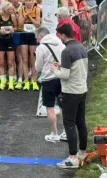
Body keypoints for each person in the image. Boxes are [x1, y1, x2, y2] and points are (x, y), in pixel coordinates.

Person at [51, 24, 88, 169]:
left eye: (58, 35)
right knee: (80, 122)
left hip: (70, 92)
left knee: (69, 124)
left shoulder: (66, 51)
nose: (58, 38)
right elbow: (77, 67)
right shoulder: (81, 47)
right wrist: (62, 65)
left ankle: (72, 158)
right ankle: (82, 152)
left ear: (63, 35)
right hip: (82, 89)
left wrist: (55, 70)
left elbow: (64, 75)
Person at [34, 26, 66, 143]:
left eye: (37, 38)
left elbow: (38, 67)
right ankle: (66, 133)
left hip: (48, 79)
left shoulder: (41, 47)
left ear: (42, 36)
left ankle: (54, 134)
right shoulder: (60, 43)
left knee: (50, 108)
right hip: (61, 77)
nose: (37, 40)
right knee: (63, 106)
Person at [0, 2, 17, 91]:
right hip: (0, 40)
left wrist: (13, 29)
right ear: (5, 10)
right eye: (10, 9)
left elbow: (16, 27)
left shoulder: (12, 16)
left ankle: (10, 82)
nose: (11, 11)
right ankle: (2, 82)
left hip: (9, 40)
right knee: (1, 62)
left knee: (10, 62)